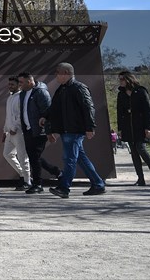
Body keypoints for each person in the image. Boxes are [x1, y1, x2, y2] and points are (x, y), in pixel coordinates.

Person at [47, 62, 106, 198]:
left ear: (66, 73)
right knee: (79, 158)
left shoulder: (79, 88)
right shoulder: (61, 89)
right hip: (66, 130)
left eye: (58, 72)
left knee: (69, 159)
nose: (56, 74)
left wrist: (90, 127)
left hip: (74, 130)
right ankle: (98, 184)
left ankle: (64, 188)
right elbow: (53, 109)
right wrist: (46, 118)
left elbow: (88, 107)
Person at [116, 70, 150, 186]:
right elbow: (119, 112)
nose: (120, 81)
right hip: (127, 126)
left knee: (141, 148)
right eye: (119, 79)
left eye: (122, 79)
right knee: (134, 152)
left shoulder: (141, 91)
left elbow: (148, 110)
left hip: (140, 125)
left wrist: (148, 127)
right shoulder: (121, 94)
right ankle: (140, 178)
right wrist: (120, 129)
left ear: (128, 79)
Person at [16, 71, 56, 194]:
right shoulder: (23, 94)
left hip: (39, 131)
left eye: (21, 82)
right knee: (34, 157)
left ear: (29, 81)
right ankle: (57, 172)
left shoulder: (41, 92)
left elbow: (48, 112)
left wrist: (49, 132)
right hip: (28, 130)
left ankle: (38, 184)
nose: (19, 85)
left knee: (35, 157)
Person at [2, 76, 31, 190]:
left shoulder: (20, 97)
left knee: (23, 157)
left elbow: (21, 114)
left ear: (18, 85)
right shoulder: (10, 98)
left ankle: (27, 181)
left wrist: (14, 127)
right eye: (9, 84)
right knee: (7, 154)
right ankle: (23, 175)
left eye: (12, 85)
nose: (10, 86)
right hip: (9, 132)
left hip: (18, 132)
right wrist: (4, 130)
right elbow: (8, 116)